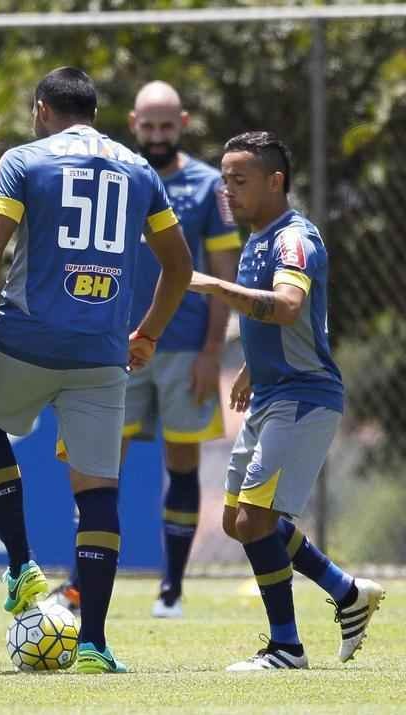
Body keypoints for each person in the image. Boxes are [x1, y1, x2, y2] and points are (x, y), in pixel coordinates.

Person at [0, 67, 193, 674]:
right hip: (102, 353)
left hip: (26, 339)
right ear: (95, 111)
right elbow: (180, 265)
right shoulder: (138, 170)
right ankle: (93, 643)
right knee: (98, 493)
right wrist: (147, 334)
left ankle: (20, 564)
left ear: (42, 110)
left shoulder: (24, 161)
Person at [185, 131, 383, 671]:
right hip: (272, 393)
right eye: (224, 180)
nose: (228, 191)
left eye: (240, 180)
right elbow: (277, 321)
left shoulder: (295, 239)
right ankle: (346, 593)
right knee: (236, 520)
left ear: (276, 181)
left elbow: (291, 307)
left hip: (303, 397)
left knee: (254, 521)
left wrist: (212, 287)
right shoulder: (256, 239)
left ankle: (286, 647)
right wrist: (251, 365)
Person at [48, 81, 242, 619]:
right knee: (99, 464)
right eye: (148, 126)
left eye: (167, 126)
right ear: (133, 123)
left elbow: (225, 274)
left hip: (184, 350)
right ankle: (77, 584)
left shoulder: (209, 187)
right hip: (116, 347)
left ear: (182, 122)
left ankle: (171, 590)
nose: (157, 136)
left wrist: (212, 350)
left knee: (181, 464)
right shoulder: (117, 175)